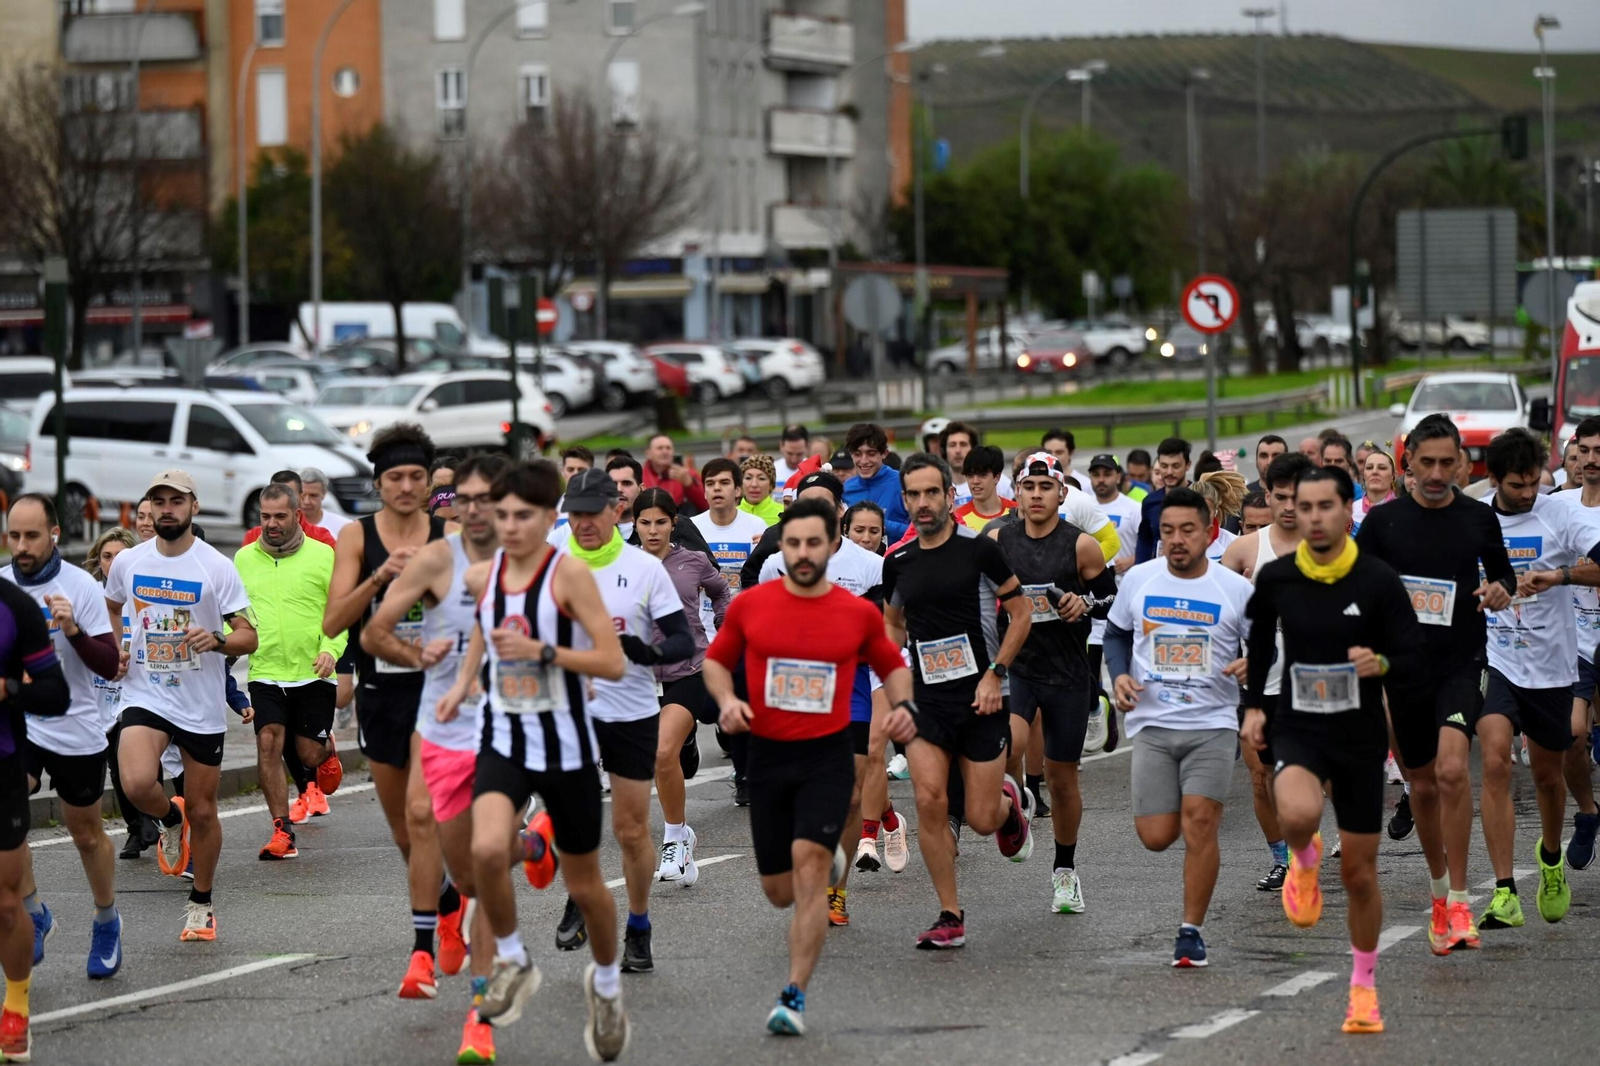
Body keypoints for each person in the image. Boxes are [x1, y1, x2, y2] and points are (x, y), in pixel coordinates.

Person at [436, 461, 631, 1061]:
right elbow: (484, 632)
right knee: (486, 851)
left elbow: (611, 661)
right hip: (505, 738)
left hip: (567, 749)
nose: (511, 526)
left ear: (551, 519)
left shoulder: (568, 575)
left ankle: (606, 985)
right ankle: (514, 960)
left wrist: (545, 652)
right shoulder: (482, 576)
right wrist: (463, 683)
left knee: (588, 887)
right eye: (503, 515)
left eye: (524, 515)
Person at [706, 498, 916, 1035]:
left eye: (813, 544)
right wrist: (727, 700)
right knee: (779, 892)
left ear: (831, 546)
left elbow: (893, 665)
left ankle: (793, 995)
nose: (802, 553)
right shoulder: (753, 606)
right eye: (792, 544)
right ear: (782, 548)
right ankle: (826, 860)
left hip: (827, 758)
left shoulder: (855, 613)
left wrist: (904, 707)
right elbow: (715, 662)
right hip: (768, 758)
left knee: (808, 876)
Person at [1241, 465, 1425, 1034]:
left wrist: (1382, 662)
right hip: (1299, 724)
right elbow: (1260, 644)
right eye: (1305, 506)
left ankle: (1363, 988)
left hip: (1359, 736)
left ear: (1349, 511)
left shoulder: (1376, 579)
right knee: (1297, 812)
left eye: (1326, 506)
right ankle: (1302, 858)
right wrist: (1254, 707)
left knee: (1361, 875)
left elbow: (1413, 652)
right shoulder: (1277, 577)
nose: (1314, 517)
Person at [363, 452, 506, 1063]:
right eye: (463, 500)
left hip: (509, 726)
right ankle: (427, 943)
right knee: (451, 855)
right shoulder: (436, 559)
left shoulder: (538, 561)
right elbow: (373, 633)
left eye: (485, 500)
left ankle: (480, 1015)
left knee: (487, 863)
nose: (472, 510)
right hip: (444, 723)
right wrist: (415, 654)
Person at [1355, 413, 1514, 951]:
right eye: (1428, 463)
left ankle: (1462, 903)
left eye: (1448, 462)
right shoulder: (1383, 523)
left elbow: (1502, 574)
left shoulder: (1478, 517)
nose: (1438, 473)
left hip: (1461, 662)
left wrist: (1500, 590)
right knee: (1421, 785)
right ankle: (1440, 891)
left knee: (1451, 770)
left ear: (1463, 464)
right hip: (1403, 671)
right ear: (1409, 464)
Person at [323, 424, 463, 999]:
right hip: (381, 691)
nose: (406, 486)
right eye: (395, 477)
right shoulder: (356, 536)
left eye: (415, 477)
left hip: (437, 690)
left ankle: (421, 954)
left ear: (429, 483)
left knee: (423, 815)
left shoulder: (449, 535)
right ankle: (447, 900)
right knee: (406, 835)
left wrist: (427, 582)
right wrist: (382, 577)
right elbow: (334, 622)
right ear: (379, 483)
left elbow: (470, 610)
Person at [883, 453, 1035, 949]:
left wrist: (996, 674)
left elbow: (1022, 613)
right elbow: (893, 624)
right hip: (927, 701)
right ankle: (950, 914)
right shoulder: (898, 561)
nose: (923, 502)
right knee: (929, 800)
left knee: (981, 819)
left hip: (982, 700)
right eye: (914, 495)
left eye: (932, 492)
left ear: (950, 496)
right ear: (904, 500)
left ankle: (1008, 807)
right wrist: (893, 678)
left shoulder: (980, 551)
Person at [550, 468, 695, 969]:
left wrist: (643, 650)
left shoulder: (643, 569)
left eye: (593, 513)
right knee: (573, 816)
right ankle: (580, 896)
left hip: (630, 710)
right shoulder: (550, 562)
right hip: (569, 707)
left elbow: (681, 641)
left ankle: (638, 924)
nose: (584, 523)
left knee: (630, 829)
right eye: (575, 514)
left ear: (617, 512)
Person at [105, 470, 258, 942]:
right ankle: (170, 819)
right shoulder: (128, 562)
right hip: (145, 691)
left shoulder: (216, 567)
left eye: (176, 501)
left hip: (200, 702)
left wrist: (217, 640)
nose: (167, 509)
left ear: (194, 506)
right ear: (149, 508)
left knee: (204, 810)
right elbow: (112, 606)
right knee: (135, 782)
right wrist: (116, 648)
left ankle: (201, 903)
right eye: (159, 502)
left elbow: (249, 636)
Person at [1106, 487, 1253, 967]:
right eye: (1167, 531)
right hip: (1152, 724)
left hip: (1213, 724)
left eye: (1187, 530)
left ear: (1209, 531)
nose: (1176, 540)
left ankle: (1191, 931)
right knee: (1155, 836)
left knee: (1200, 824)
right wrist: (1119, 674)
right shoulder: (1140, 579)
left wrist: (1252, 665)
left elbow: (1266, 647)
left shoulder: (1235, 589)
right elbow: (1116, 633)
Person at [1471, 429, 1600, 928]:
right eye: (1517, 485)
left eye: (1533, 482)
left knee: (1548, 777)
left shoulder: (1559, 513)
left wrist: (1559, 576)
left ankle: (1549, 858)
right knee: (1495, 762)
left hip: (1552, 666)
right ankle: (1504, 891)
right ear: (1493, 479)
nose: (1528, 493)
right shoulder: (1474, 518)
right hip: (1496, 659)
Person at [756, 475, 894, 926]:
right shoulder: (775, 563)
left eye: (824, 504)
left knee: (851, 795)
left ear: (840, 511)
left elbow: (886, 632)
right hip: (793, 689)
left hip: (852, 685)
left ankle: (836, 890)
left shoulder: (870, 564)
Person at [2, 495, 123, 979]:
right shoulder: (4, 587)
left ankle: (107, 919)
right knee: (8, 825)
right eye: (14, 535)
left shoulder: (79, 586)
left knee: (86, 834)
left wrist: (73, 629)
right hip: (22, 725)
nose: (22, 546)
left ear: (53, 534)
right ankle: (34, 913)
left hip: (75, 724)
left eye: (32, 535)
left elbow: (109, 665)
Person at [993, 453, 1117, 915]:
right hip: (1017, 667)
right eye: (1029, 487)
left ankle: (1065, 870)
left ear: (1062, 493)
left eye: (1046, 487)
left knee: (1063, 781)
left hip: (1066, 672)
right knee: (1007, 745)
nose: (1037, 495)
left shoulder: (1081, 545)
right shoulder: (998, 541)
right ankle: (1014, 810)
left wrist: (1084, 604)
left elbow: (1111, 598)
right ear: (1017, 493)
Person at [235, 483, 346, 861]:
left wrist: (331, 649)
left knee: (308, 754)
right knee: (268, 741)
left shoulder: (323, 556)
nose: (272, 524)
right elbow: (233, 613)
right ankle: (282, 830)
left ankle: (327, 749)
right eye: (265, 516)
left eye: (280, 516)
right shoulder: (244, 559)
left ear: (297, 515)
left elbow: (340, 612)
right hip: (265, 670)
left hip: (313, 671)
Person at [1221, 453, 1313, 892]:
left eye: (1297, 497)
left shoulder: (1328, 546)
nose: (1289, 506)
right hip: (1258, 686)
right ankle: (1284, 859)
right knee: (1261, 776)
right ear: (1269, 495)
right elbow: (1218, 617)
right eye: (1281, 497)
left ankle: (1312, 840)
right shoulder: (1242, 551)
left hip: (1315, 684)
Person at [637, 489, 729, 892]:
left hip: (687, 670)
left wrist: (724, 625)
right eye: (645, 522)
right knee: (656, 759)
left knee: (662, 751)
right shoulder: (622, 564)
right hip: (639, 677)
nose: (653, 530)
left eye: (661, 522)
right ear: (634, 524)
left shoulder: (692, 561)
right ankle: (682, 834)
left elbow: (721, 589)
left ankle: (675, 837)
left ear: (673, 523)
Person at [0, 558, 70, 1060]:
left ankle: (16, 1008)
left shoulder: (13, 607)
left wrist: (8, 689)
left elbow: (54, 693)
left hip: (1, 766)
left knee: (6, 904)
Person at [1562, 418, 1600, 869]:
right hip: (1575, 642)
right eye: (1585, 450)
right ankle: (1588, 813)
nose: (1592, 460)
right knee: (1570, 736)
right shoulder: (1560, 506)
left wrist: (1564, 574)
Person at [691, 458, 769, 632]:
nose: (717, 488)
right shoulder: (691, 526)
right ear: (704, 492)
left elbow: (764, 578)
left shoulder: (757, 525)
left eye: (724, 482)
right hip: (703, 630)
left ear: (738, 490)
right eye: (710, 483)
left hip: (744, 625)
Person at [842, 423, 910, 542]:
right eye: (857, 454)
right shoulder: (846, 488)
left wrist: (878, 524)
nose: (864, 461)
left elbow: (919, 531)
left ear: (884, 454)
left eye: (871, 453)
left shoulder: (903, 483)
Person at [242, 470, 338, 548]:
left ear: (301, 496)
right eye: (276, 494)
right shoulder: (253, 537)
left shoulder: (322, 538)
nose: (282, 499)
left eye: (289, 493)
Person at [1136, 438, 1192, 562]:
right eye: (1164, 466)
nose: (1169, 472)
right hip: (1159, 569)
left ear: (1188, 465)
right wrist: (1139, 568)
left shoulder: (1200, 498)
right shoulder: (1150, 502)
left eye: (1176, 466)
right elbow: (1145, 540)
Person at [641, 433, 709, 514]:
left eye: (668, 448)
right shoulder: (639, 476)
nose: (665, 452)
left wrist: (690, 485)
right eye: (660, 448)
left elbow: (706, 505)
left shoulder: (687, 474)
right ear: (648, 453)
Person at [952, 446, 1015, 532]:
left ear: (997, 477)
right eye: (970, 475)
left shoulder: (1017, 512)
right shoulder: (957, 519)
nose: (975, 481)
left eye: (982, 475)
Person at [299, 467, 353, 540]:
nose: (306, 501)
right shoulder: (285, 526)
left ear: (324, 494)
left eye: (313, 496)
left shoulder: (345, 527)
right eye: (302, 495)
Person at [739, 454, 782, 526]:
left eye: (761, 478)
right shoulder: (730, 515)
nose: (754, 484)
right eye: (748, 478)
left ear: (771, 485)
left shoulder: (783, 514)